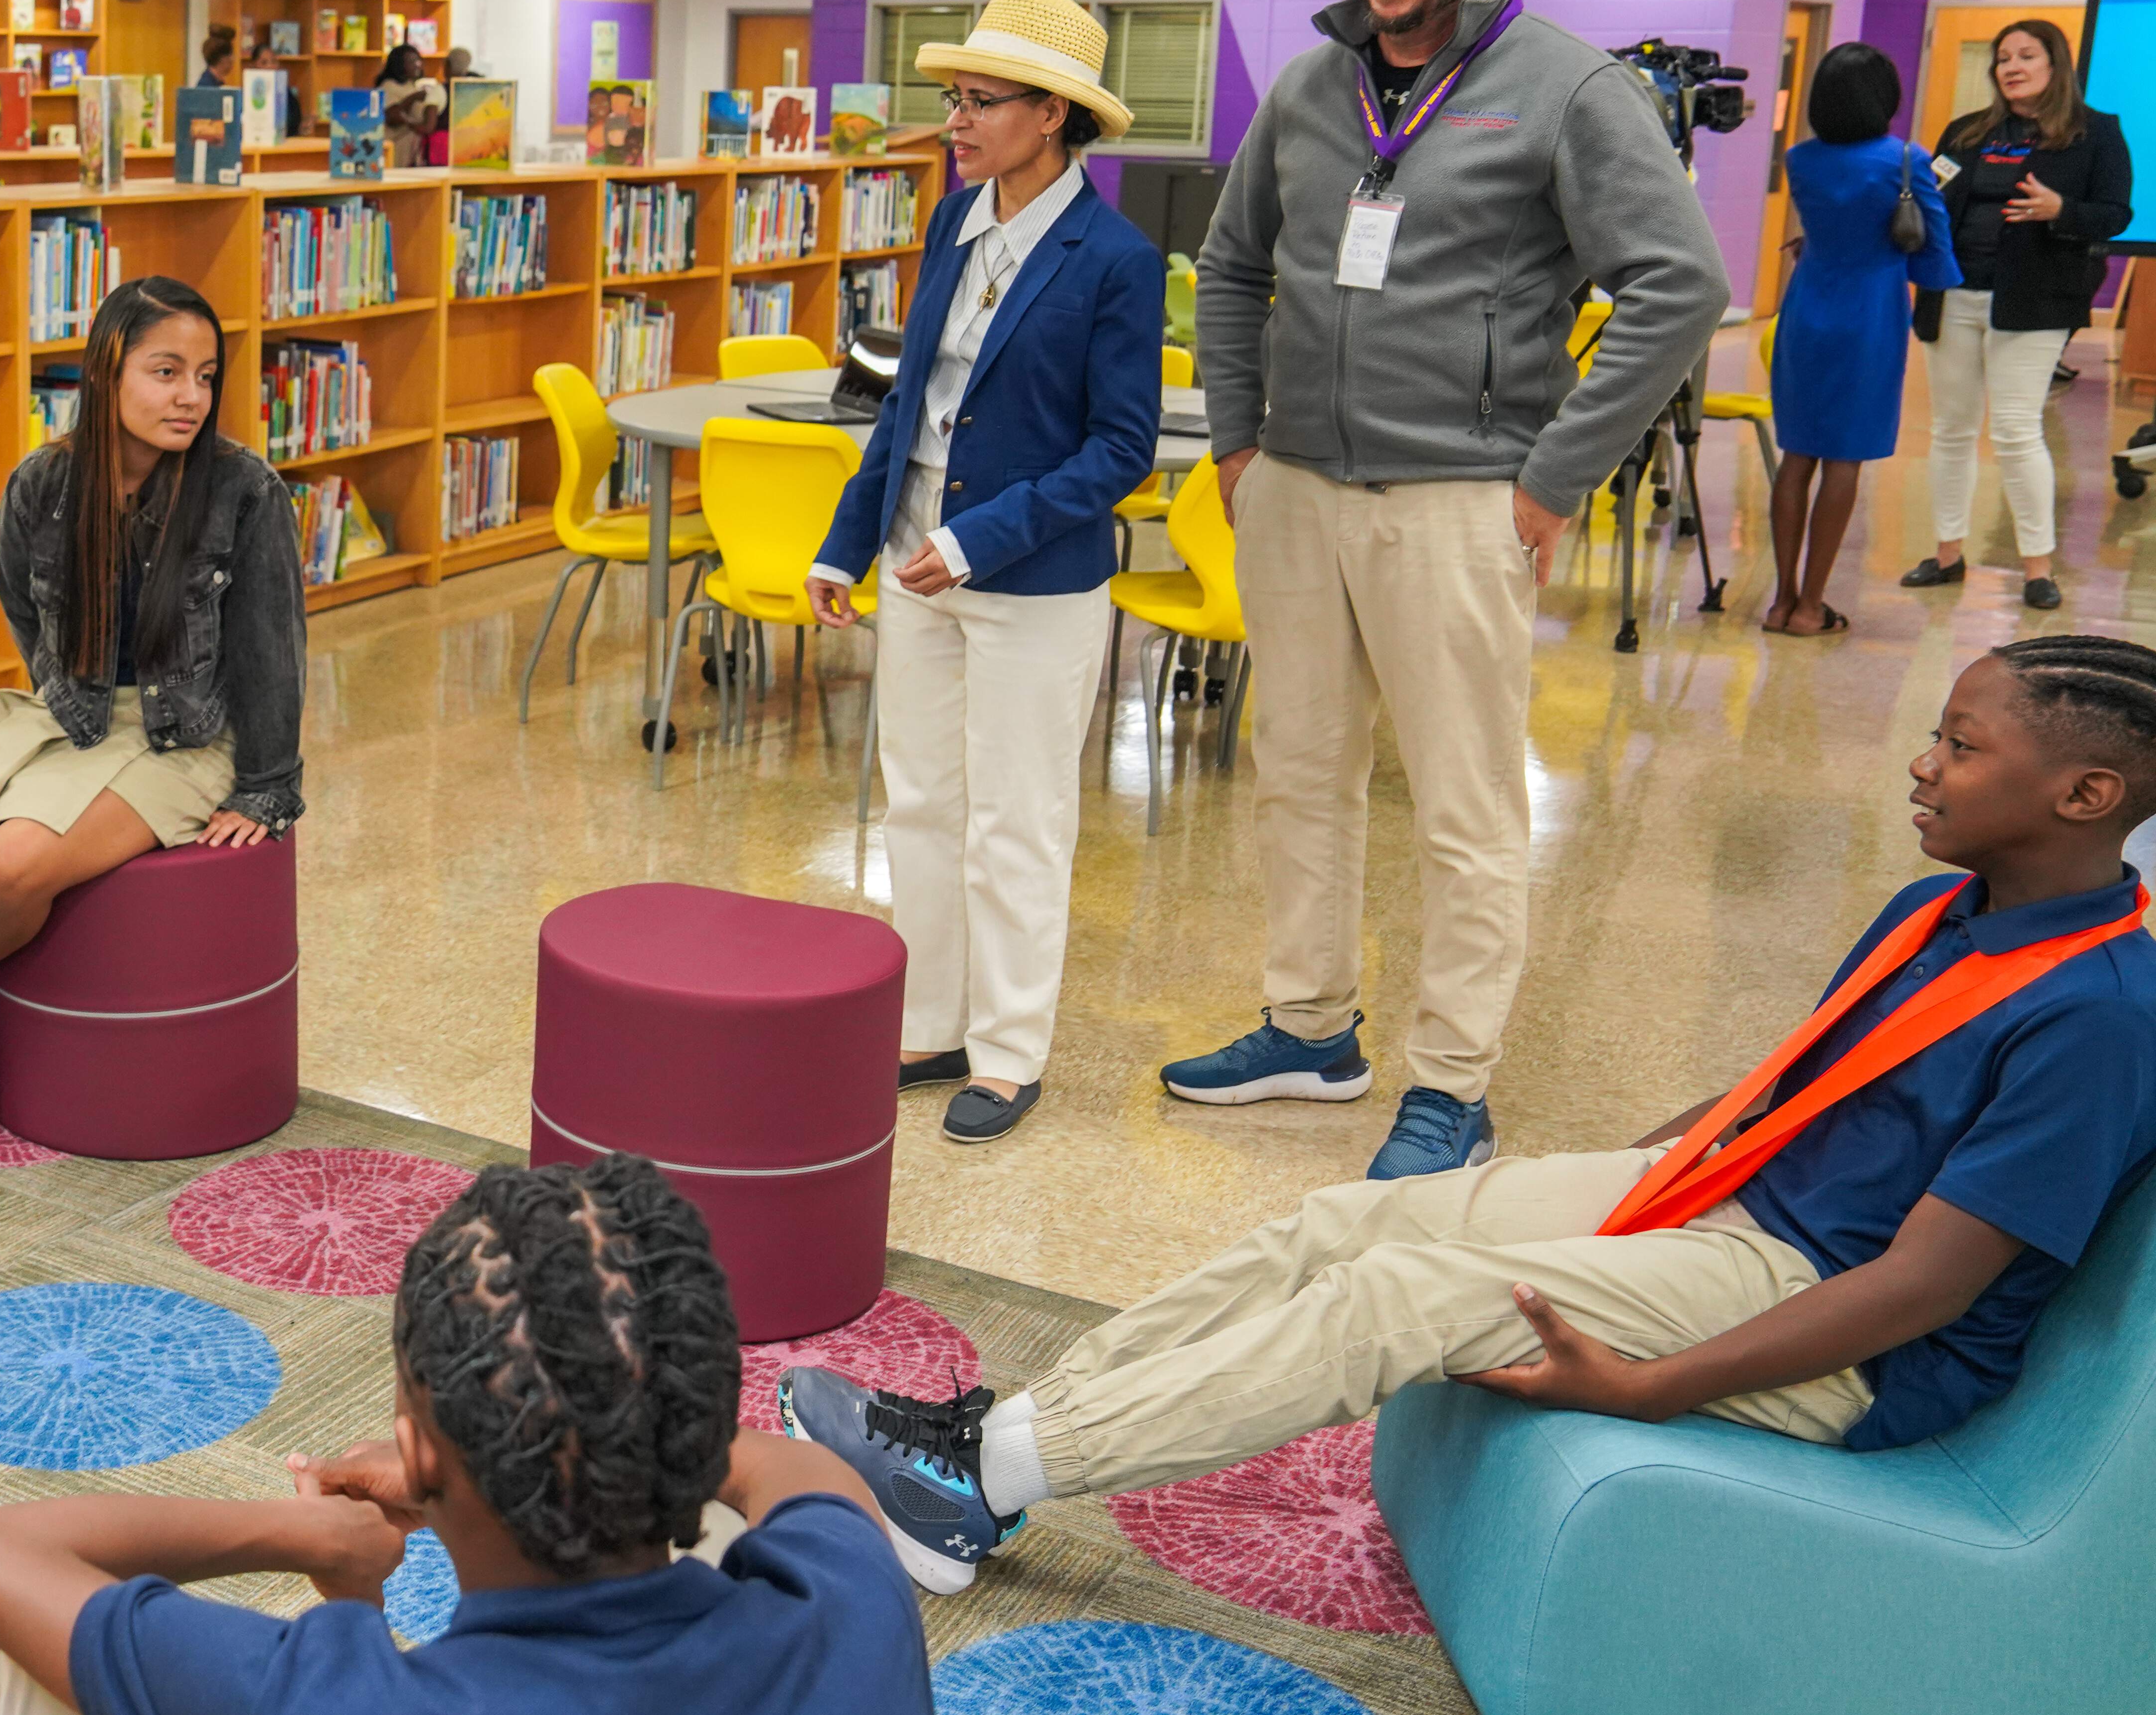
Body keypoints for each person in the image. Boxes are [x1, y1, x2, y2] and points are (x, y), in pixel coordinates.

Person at [788, 637, 2156, 1594]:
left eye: (1962, 748)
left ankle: (981, 1481)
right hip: (1744, 1202)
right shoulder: (1949, 903)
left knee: (1388, 1301)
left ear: (2087, 796)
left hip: (1847, 1323)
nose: (1923, 765)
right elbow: (1814, 1076)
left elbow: (1923, 1285)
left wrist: (1654, 1385)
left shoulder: (2097, 1017)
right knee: (1340, 1222)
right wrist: (1632, 1166)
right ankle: (997, 1437)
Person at [0, 1155, 944, 1715]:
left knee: (44, 1674)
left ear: (418, 1457)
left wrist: (317, 1535)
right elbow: (805, 1478)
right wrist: (629, 1419)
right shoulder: (851, 1610)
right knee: (729, 1521)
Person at [1183, 0, 1728, 1179]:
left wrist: (1553, 477)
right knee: (1296, 772)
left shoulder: (1567, 87)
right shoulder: (1315, 86)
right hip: (1297, 485)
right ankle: (1309, 1027)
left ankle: (1455, 1083)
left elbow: (1682, 288)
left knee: (1466, 803)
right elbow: (1237, 262)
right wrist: (1239, 438)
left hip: (1460, 499)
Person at [805, 0, 1164, 1145]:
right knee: (922, 804)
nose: (954, 119)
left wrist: (977, 539)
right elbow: (911, 402)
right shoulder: (951, 222)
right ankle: (933, 1020)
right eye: (952, 97)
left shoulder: (1114, 258)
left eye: (980, 101)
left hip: (1028, 586)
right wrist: (846, 539)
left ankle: (1009, 1052)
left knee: (1017, 820)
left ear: (1052, 115)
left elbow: (1120, 449)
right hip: (916, 569)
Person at [0, 278, 305, 1152]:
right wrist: (66, 708)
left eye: (205, 374)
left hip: (186, 729)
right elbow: (28, 619)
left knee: (8, 870)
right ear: (107, 373)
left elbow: (271, 646)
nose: (190, 395)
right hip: (68, 709)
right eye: (165, 370)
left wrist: (267, 786)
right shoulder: (41, 481)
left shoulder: (243, 489)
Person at [1904, 16, 2135, 613]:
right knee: (1950, 432)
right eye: (2003, 58)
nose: (2011, 67)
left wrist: (2061, 209)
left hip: (2033, 302)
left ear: (2054, 65)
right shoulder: (1965, 132)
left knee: (2013, 432)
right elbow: (1929, 198)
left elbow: (2114, 215)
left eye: (2026, 56)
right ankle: (1946, 554)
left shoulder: (2094, 134)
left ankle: (2036, 567)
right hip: (1951, 296)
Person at [1763, 43, 1955, 637]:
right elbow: (1934, 250)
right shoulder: (1904, 159)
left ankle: (1780, 600)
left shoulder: (1799, 158)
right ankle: (1811, 607)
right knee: (1842, 460)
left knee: (1796, 457)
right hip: (1869, 312)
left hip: (1806, 306)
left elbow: (1824, 228)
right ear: (1883, 98)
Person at [373, 41, 445, 163]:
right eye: (412, 61)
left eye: (418, 61)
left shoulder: (412, 86)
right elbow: (392, 117)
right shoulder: (389, 87)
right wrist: (413, 98)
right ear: (399, 65)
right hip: (397, 150)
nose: (417, 65)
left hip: (415, 151)